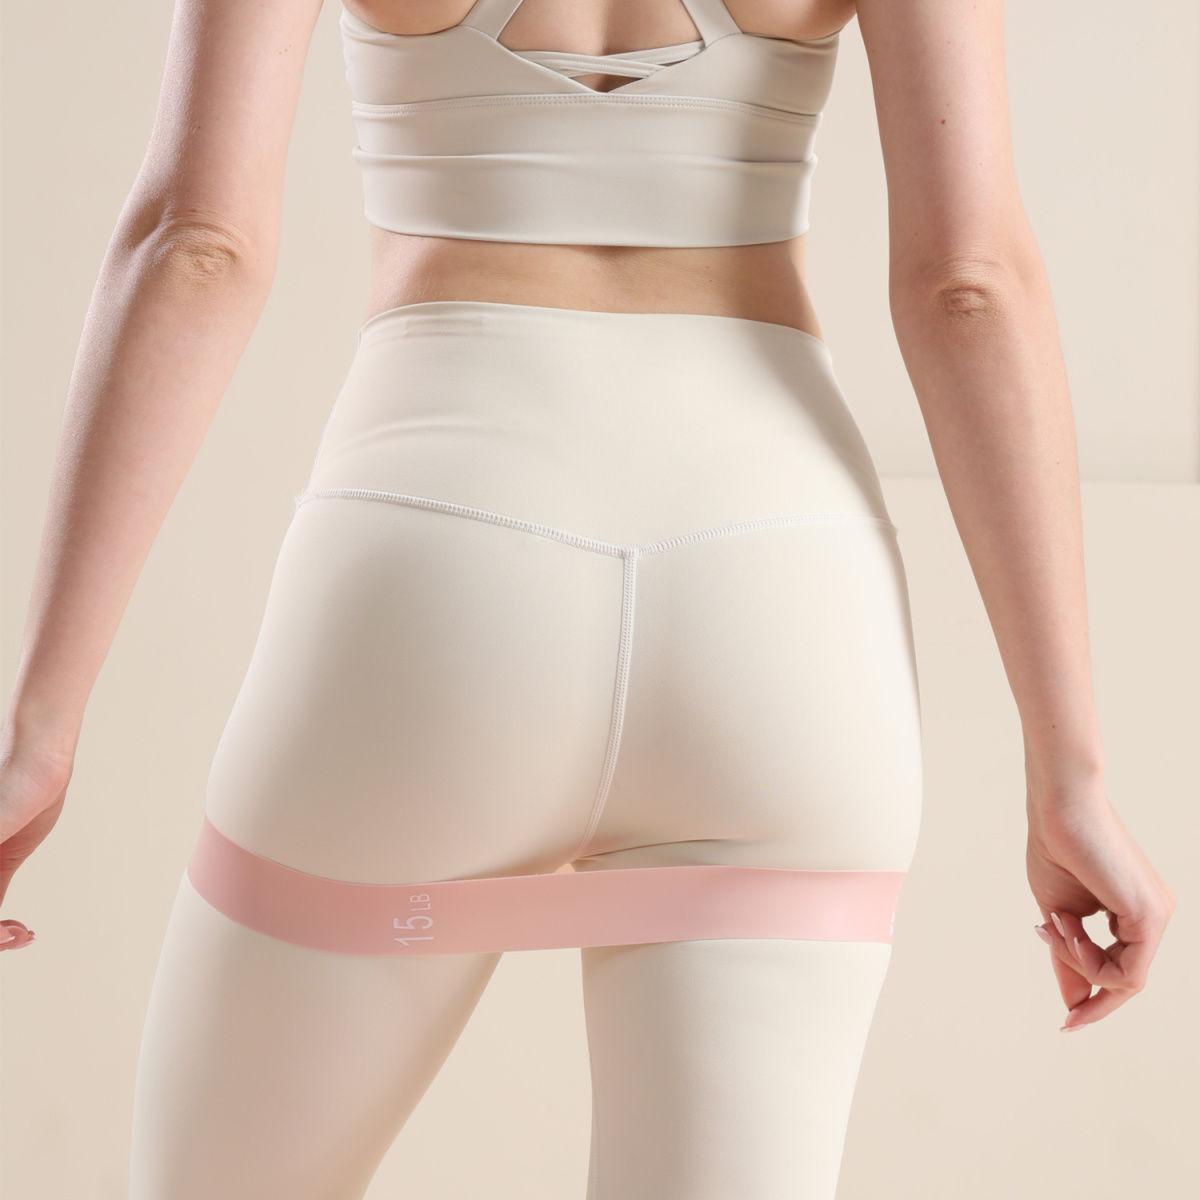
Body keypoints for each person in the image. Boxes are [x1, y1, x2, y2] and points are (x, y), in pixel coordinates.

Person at [0, 1, 1175, 1196]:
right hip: (783, 596)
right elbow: (969, 284)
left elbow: (198, 244)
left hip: (440, 556)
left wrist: (41, 728)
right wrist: (1069, 772)